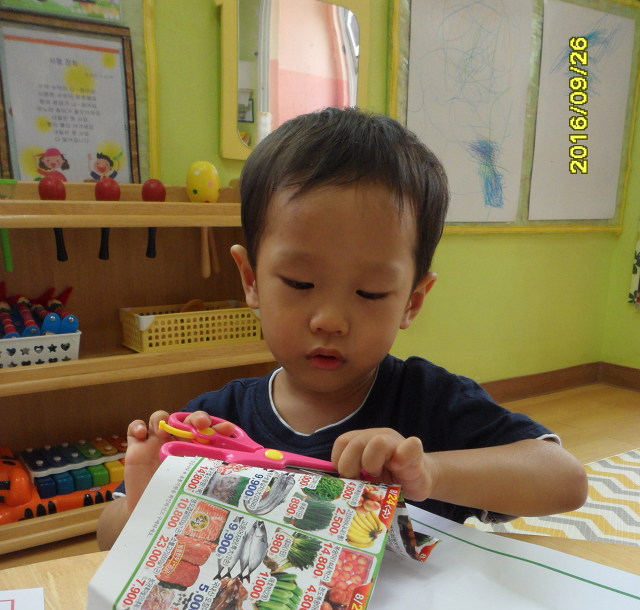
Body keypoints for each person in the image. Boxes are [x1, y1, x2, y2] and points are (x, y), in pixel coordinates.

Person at [97, 107, 587, 549]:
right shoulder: (217, 423)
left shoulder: (429, 405)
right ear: (251, 281)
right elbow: (105, 539)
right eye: (300, 282)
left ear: (412, 301)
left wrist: (432, 472)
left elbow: (565, 479)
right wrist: (144, 501)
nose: (330, 320)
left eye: (370, 292)